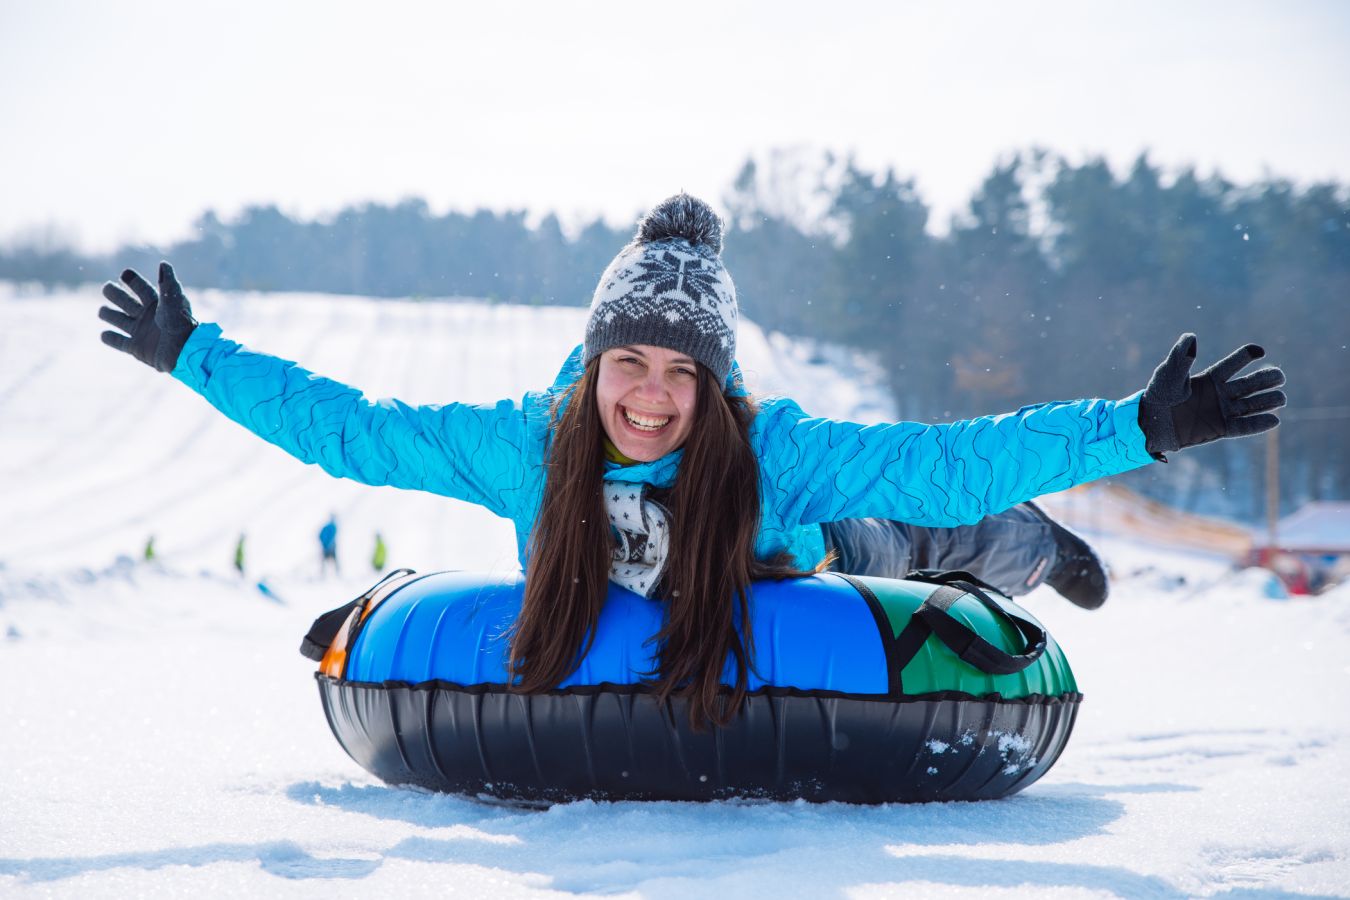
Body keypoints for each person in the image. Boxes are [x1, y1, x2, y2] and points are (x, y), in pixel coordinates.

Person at [96, 193, 1285, 727]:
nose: (654, 399)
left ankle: (1040, 540)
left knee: (939, 532)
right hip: (706, 591)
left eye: (683, 374)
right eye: (632, 366)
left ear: (715, 383)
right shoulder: (530, 442)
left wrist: (1137, 427)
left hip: (800, 556)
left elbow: (946, 460)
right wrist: (193, 355)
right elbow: (355, 429)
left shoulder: (773, 450)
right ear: (594, 360)